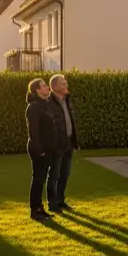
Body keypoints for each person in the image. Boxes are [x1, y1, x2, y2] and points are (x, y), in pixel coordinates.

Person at [25, 78, 57, 221]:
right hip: (39, 149)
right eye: (44, 86)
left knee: (41, 179)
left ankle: (40, 208)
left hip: (47, 148)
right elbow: (33, 132)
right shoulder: (33, 107)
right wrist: (41, 151)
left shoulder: (44, 104)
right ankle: (35, 211)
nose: (47, 88)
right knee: (38, 180)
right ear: (37, 90)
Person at [47, 74, 79, 213]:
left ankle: (60, 201)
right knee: (54, 175)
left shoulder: (67, 100)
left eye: (66, 83)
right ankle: (52, 204)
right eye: (63, 84)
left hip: (68, 142)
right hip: (56, 144)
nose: (67, 86)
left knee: (64, 174)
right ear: (54, 87)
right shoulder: (48, 102)